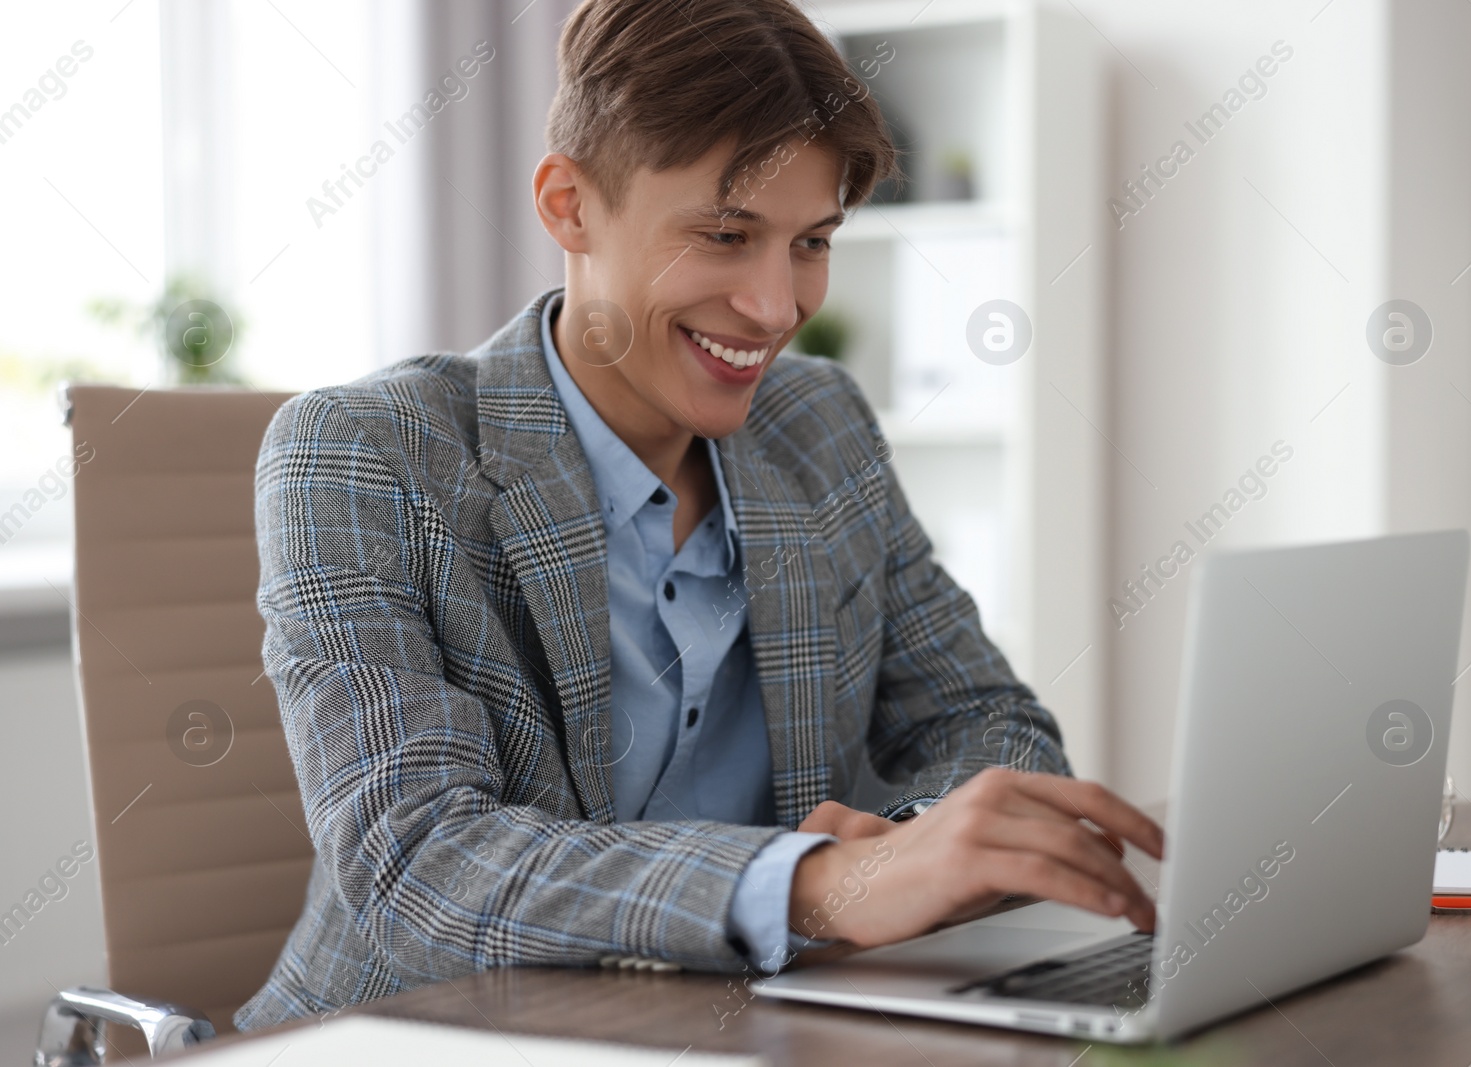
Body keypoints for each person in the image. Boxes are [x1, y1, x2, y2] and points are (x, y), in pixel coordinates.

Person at [235, 0, 1162, 1031]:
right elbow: (418, 866)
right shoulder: (365, 452)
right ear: (569, 205)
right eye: (725, 236)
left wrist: (907, 846)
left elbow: (993, 727)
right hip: (422, 1032)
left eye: (811, 241)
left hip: (733, 1025)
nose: (775, 306)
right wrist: (820, 883)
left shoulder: (821, 426)